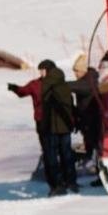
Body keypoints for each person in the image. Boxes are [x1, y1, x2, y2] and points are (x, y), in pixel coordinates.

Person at [8, 60, 54, 183]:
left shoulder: (56, 83)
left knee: (55, 148)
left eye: (43, 70)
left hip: (55, 122)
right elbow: (23, 91)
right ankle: (50, 176)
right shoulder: (35, 84)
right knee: (46, 149)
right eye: (40, 70)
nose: (41, 72)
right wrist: (15, 88)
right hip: (41, 121)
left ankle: (59, 175)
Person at [41, 64, 79, 195]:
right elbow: (71, 107)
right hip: (66, 128)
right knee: (67, 155)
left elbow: (46, 110)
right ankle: (71, 182)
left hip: (52, 128)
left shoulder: (48, 87)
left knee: (52, 157)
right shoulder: (66, 87)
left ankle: (57, 185)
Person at [68, 53, 103, 173]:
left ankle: (99, 170)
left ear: (83, 70)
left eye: (77, 71)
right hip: (86, 120)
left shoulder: (89, 81)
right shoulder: (85, 79)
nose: (75, 74)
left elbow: (78, 86)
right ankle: (96, 169)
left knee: (96, 146)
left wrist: (59, 85)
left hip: (93, 120)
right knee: (90, 144)